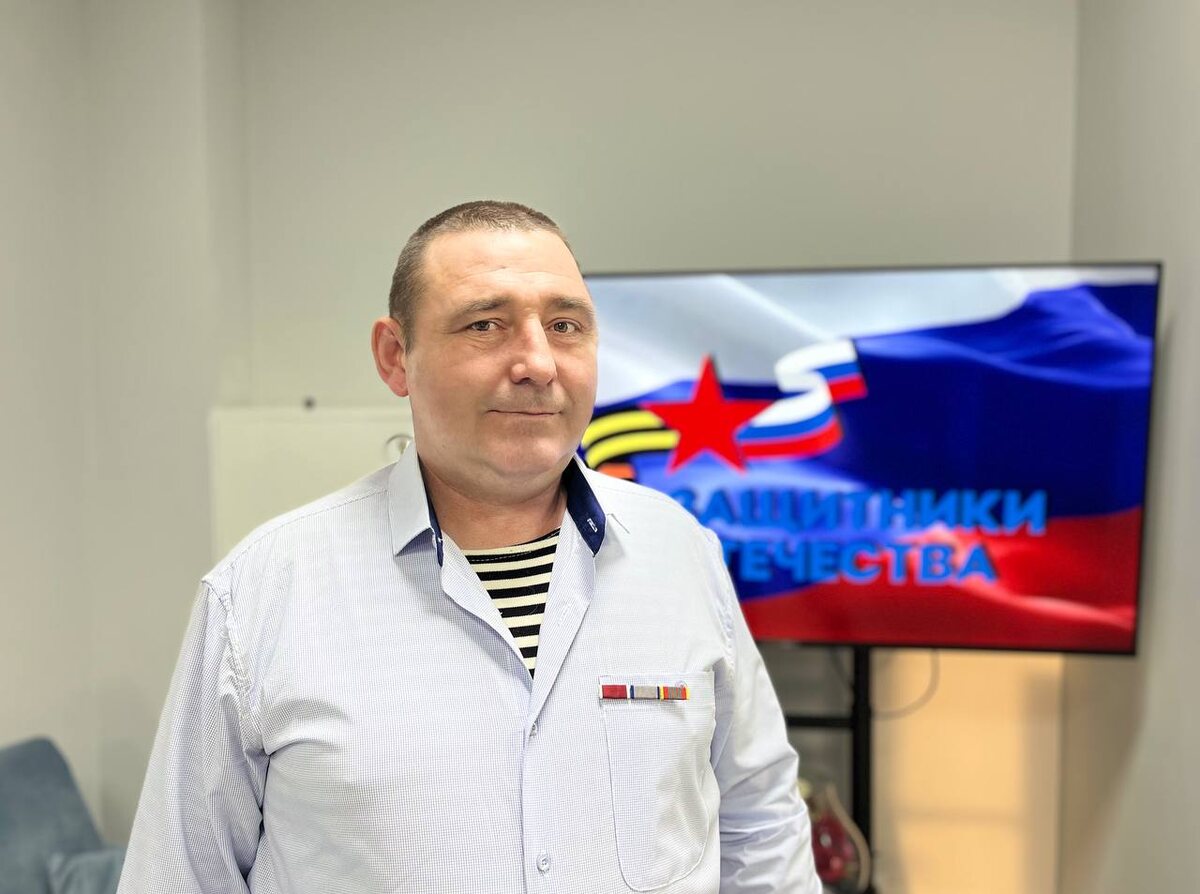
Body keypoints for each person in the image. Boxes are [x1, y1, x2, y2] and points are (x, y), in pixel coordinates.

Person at [117, 201, 821, 893]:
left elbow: (760, 825)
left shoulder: (679, 551)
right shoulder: (260, 595)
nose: (538, 362)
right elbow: (179, 876)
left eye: (565, 326)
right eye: (486, 324)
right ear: (395, 357)